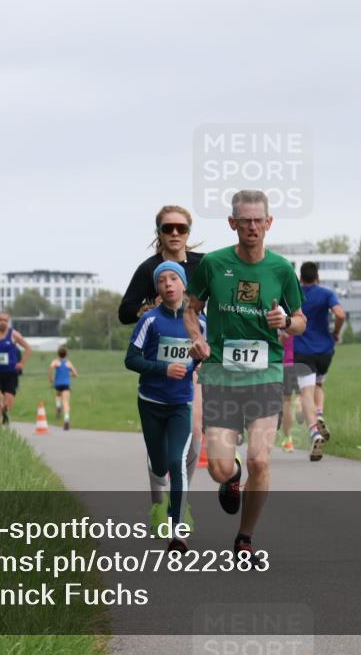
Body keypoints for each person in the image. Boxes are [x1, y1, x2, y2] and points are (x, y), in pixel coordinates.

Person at [185, 189, 305, 564]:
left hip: (265, 375)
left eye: (259, 220)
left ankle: (244, 538)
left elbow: (300, 321)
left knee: (260, 460)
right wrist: (197, 338)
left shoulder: (282, 270)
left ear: (269, 223)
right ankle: (232, 478)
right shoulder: (213, 265)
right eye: (245, 220)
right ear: (232, 223)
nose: (252, 226)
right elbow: (191, 309)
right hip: (220, 375)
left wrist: (285, 320)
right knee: (221, 470)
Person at [118, 205, 207, 513]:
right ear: (159, 232)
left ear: (188, 233)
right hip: (158, 365)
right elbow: (125, 311)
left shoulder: (202, 265)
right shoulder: (149, 269)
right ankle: (159, 501)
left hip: (194, 357)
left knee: (195, 434)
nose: (174, 233)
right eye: (168, 228)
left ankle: (181, 502)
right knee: (159, 454)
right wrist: (150, 308)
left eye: (180, 228)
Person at [125, 262, 205, 552]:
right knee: (160, 466)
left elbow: (203, 354)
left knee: (177, 461)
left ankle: (177, 529)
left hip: (181, 404)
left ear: (184, 286)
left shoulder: (198, 322)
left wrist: (198, 360)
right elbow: (131, 360)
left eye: (174, 278)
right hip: (151, 402)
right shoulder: (150, 321)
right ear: (158, 289)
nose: (168, 284)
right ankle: (154, 465)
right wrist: (162, 369)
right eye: (162, 281)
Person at [294, 261, 346, 461]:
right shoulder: (326, 293)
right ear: (318, 277)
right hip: (325, 349)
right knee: (319, 384)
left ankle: (315, 431)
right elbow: (340, 314)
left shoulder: (295, 293)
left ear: (300, 277)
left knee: (306, 393)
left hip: (302, 350)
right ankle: (320, 413)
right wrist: (336, 332)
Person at [277, 330, 299, 452]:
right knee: (290, 401)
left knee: (286, 401)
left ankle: (288, 439)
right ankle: (288, 439)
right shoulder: (298, 317)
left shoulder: (278, 314)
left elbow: (282, 338)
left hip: (283, 363)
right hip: (297, 362)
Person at [48, 346, 78, 430]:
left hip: (58, 384)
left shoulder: (56, 361)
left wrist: (51, 379)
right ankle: (66, 419)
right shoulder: (68, 363)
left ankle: (58, 406)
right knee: (66, 402)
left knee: (58, 394)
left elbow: (50, 368)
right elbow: (75, 374)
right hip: (66, 384)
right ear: (66, 354)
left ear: (58, 354)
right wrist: (69, 374)